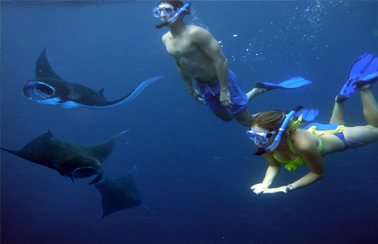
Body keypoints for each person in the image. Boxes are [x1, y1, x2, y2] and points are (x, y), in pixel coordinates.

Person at [153, 1, 310, 127]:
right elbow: (180, 64)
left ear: (180, 12)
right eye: (159, 10)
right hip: (202, 86)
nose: (162, 14)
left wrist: (224, 90)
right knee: (227, 117)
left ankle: (288, 116)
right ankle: (258, 89)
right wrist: (190, 89)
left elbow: (221, 60)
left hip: (220, 81)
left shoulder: (196, 33)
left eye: (167, 10)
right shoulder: (166, 39)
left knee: (245, 121)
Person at [247, 51, 378, 194]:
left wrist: (285, 188)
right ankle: (339, 101)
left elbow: (318, 173)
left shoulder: (303, 145)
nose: (256, 140)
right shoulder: (262, 141)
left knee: (375, 129)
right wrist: (265, 184)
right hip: (315, 131)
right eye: (252, 134)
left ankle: (364, 88)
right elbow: (273, 166)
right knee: (333, 126)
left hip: (340, 137)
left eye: (260, 135)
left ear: (279, 133)